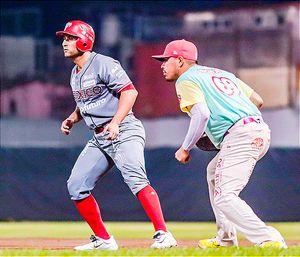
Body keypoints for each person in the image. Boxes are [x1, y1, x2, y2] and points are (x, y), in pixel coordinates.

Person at [152, 39, 287, 249]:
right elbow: (258, 100)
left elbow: (202, 115)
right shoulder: (222, 74)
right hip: (257, 130)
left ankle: (268, 238)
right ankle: (225, 238)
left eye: (165, 59)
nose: (162, 64)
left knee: (225, 196)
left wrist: (186, 147)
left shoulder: (186, 79)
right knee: (213, 173)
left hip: (240, 135)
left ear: (179, 61)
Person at [56, 20, 177, 251]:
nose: (65, 42)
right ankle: (104, 240)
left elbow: (130, 92)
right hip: (99, 137)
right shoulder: (75, 72)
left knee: (135, 178)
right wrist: (72, 118)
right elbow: (86, 103)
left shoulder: (103, 63)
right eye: (64, 38)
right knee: (76, 185)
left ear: (84, 40)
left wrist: (116, 122)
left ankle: (164, 233)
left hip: (125, 129)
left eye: (70, 38)